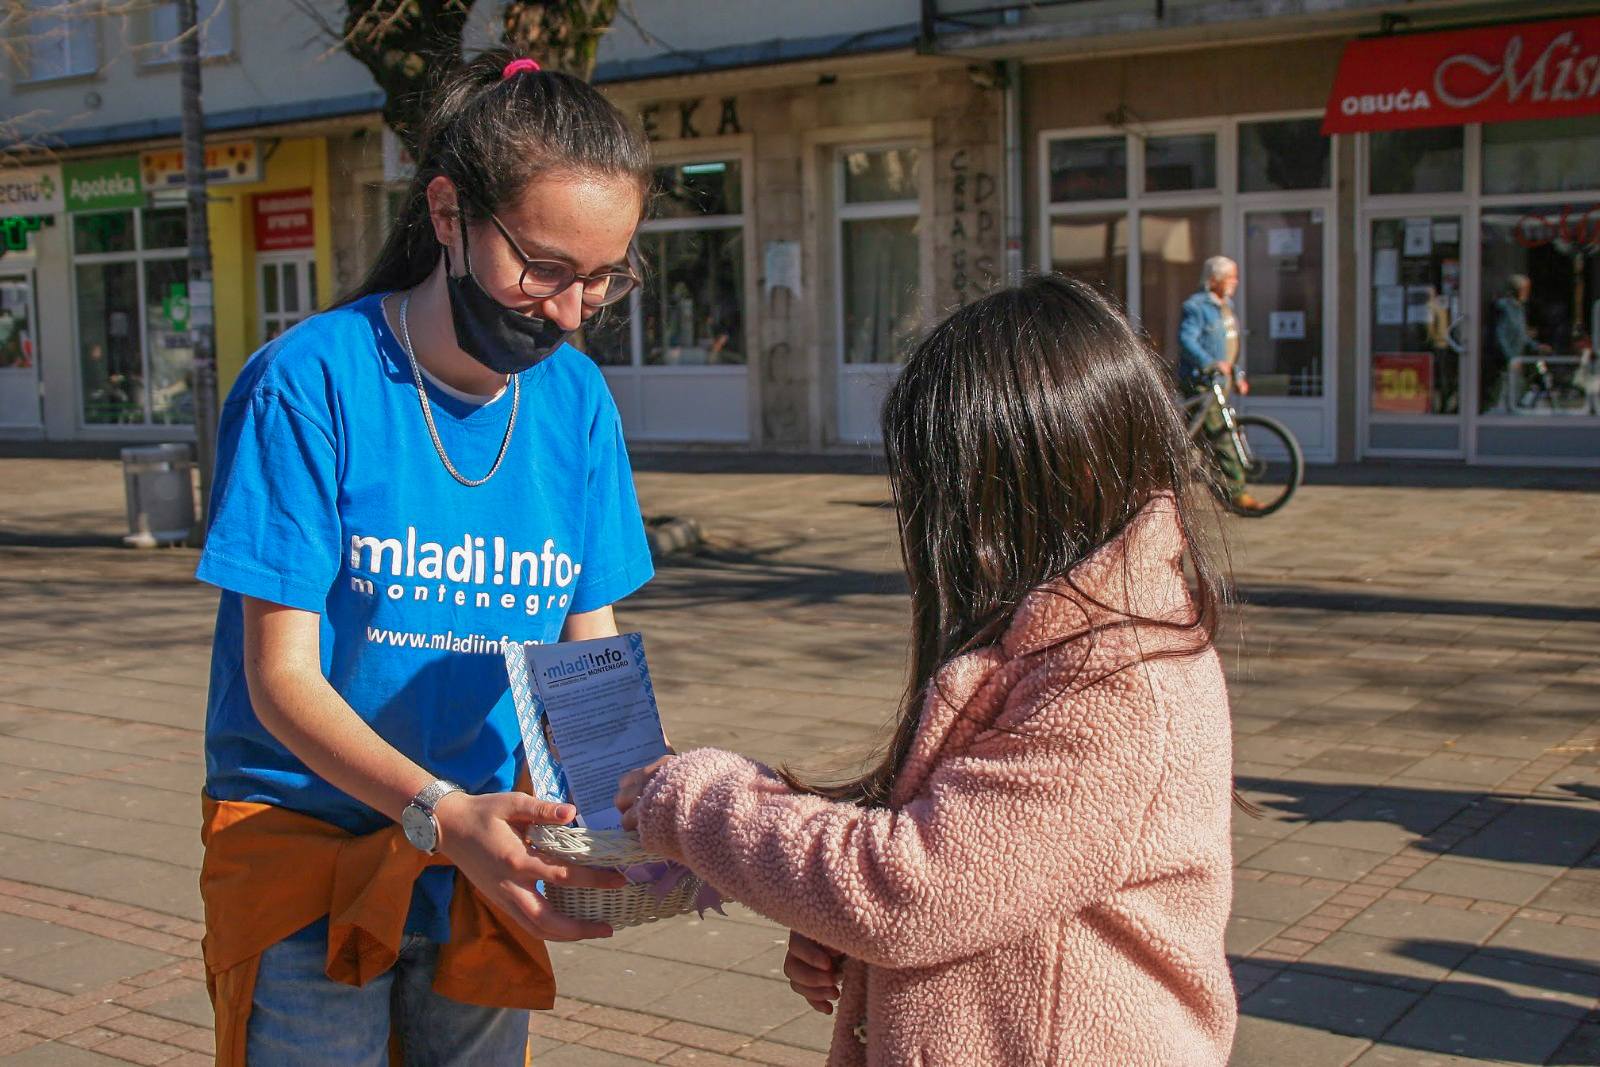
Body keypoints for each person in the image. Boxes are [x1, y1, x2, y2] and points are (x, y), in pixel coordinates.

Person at [616, 275, 1238, 1066]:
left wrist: (699, 800)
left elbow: (914, 889)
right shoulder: (1077, 638)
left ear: (1017, 488)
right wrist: (857, 945)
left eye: (936, 492)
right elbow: (985, 872)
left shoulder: (1119, 682)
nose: (928, 522)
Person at [195, 54, 656, 1066]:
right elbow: (279, 681)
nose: (571, 310)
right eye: (543, 266)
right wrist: (438, 813)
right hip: (309, 849)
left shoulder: (574, 404)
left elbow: (588, 659)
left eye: (602, 277)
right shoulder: (307, 386)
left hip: (485, 861)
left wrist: (635, 830)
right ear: (447, 214)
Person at [1177, 255, 1259, 511]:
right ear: (1214, 280)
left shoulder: (1226, 308)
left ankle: (1185, 476)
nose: (1235, 282)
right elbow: (1186, 340)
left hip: (1220, 382)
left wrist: (1236, 374)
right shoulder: (1196, 307)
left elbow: (1229, 347)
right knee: (1221, 435)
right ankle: (1236, 493)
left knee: (1198, 436)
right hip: (1201, 382)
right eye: (1230, 277)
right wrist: (1210, 363)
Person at [1487, 273, 1549, 412]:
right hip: (1506, 359)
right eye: (1524, 289)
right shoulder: (1505, 309)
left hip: (1516, 356)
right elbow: (1500, 335)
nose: (1527, 293)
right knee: (1504, 387)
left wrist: (1536, 345)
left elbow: (1521, 334)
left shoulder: (1519, 308)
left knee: (1516, 386)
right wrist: (1510, 357)